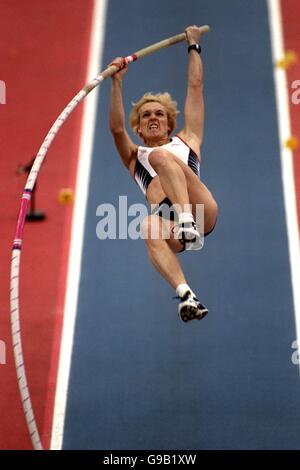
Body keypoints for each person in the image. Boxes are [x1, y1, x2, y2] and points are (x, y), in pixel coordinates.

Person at [109, 25, 218, 322]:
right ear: (139, 128)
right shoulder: (134, 157)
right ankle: (186, 295)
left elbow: (195, 88)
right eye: (146, 115)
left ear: (169, 124)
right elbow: (117, 129)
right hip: (168, 220)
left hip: (199, 209)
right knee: (146, 226)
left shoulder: (188, 139)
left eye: (158, 114)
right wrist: (116, 83)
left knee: (161, 156)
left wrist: (193, 45)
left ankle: (187, 223)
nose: (153, 117)